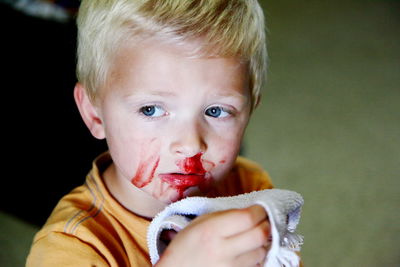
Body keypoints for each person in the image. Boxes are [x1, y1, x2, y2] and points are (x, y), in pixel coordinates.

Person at [26, 0, 281, 266]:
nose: (190, 145)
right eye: (151, 109)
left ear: (250, 110)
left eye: (216, 111)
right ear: (94, 113)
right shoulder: (72, 247)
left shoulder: (249, 189)